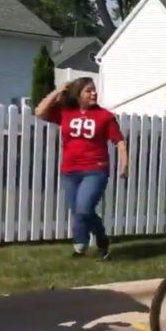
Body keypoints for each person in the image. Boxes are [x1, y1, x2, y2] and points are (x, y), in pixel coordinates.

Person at [35, 77, 128, 260]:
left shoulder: (105, 116)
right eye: (88, 90)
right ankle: (80, 246)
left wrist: (124, 164)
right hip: (70, 170)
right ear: (78, 95)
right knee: (77, 210)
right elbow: (39, 112)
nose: (93, 93)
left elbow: (119, 141)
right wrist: (57, 91)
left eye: (94, 90)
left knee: (84, 208)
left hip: (96, 169)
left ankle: (101, 239)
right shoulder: (66, 112)